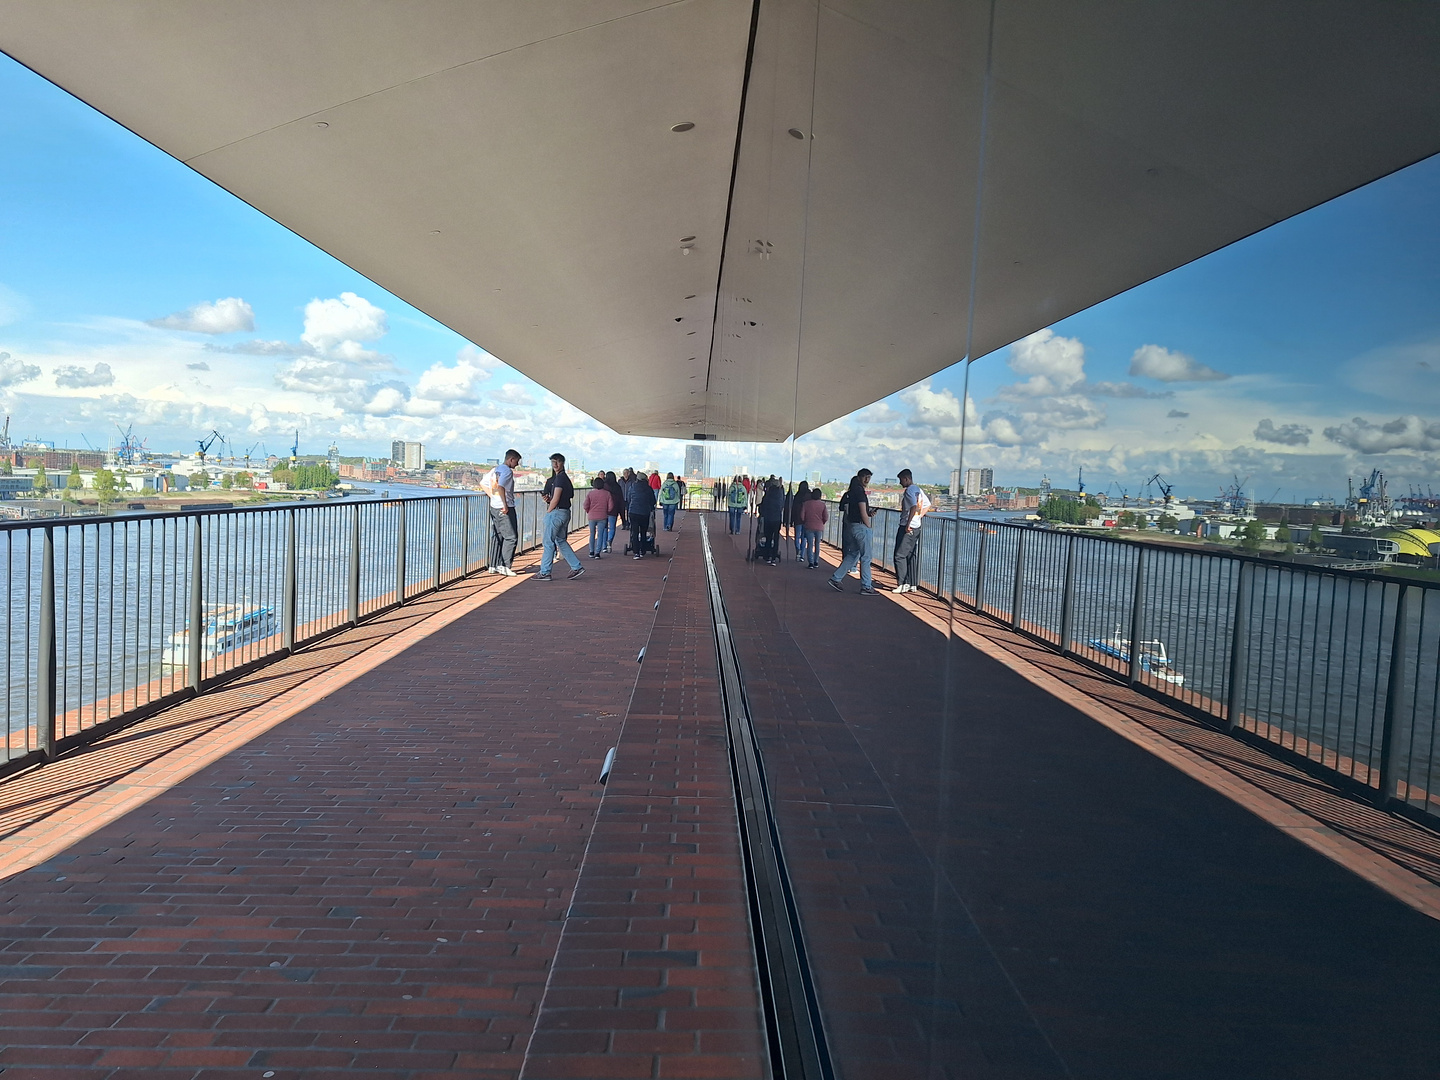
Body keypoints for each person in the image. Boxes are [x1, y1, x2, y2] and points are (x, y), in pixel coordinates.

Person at [538, 453, 584, 580]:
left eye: (557, 462)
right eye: (553, 462)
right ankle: (576, 566)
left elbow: (556, 498)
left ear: (562, 463)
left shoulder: (559, 479)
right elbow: (566, 496)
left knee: (548, 542)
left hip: (557, 513)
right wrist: (549, 500)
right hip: (565, 512)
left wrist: (549, 511)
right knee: (561, 540)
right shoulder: (566, 479)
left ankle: (545, 572)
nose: (555, 465)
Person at [829, 469, 876, 594]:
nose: (867, 480)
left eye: (869, 477)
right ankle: (866, 586)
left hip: (852, 526)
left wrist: (867, 515)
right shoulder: (860, 493)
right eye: (866, 477)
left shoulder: (851, 493)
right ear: (860, 478)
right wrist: (868, 525)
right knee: (866, 557)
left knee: (853, 554)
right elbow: (862, 511)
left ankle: (836, 578)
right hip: (861, 527)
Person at [481, 448, 521, 576]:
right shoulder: (507, 471)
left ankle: (493, 565)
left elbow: (483, 483)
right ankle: (504, 565)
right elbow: (501, 486)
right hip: (505, 507)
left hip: (494, 507)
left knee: (498, 535)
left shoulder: (495, 469)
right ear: (511, 459)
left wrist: (493, 497)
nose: (517, 464)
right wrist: (505, 504)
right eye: (516, 461)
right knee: (511, 537)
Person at [893, 468, 930, 593]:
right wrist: (918, 518)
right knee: (910, 555)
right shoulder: (918, 490)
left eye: (901, 480)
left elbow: (913, 506)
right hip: (917, 526)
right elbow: (927, 505)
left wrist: (908, 523)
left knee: (899, 555)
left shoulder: (909, 491)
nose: (900, 483)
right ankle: (912, 583)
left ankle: (902, 583)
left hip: (907, 526)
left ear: (906, 478)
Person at [627, 468, 657, 557]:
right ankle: (642, 550)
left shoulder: (632, 487)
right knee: (644, 532)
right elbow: (653, 501)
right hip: (644, 512)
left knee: (634, 531)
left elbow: (628, 499)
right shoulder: (649, 489)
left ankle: (636, 552)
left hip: (633, 512)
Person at [584, 475, 613, 559]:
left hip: (592, 516)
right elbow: (611, 506)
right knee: (600, 534)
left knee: (592, 534)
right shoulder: (607, 493)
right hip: (602, 516)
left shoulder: (590, 493)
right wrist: (606, 511)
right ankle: (597, 553)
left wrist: (588, 511)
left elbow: (585, 505)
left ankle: (591, 551)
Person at [799, 487, 827, 569]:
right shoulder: (823, 505)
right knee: (817, 544)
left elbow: (802, 516)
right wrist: (822, 522)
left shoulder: (806, 504)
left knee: (810, 544)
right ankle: (816, 561)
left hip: (809, 526)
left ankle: (810, 562)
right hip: (819, 526)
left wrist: (805, 521)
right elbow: (825, 517)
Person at [757, 478, 785, 564]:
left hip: (768, 519)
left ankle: (767, 555)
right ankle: (773, 556)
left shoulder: (768, 495)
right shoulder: (780, 495)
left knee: (768, 537)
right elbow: (781, 506)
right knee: (776, 538)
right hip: (777, 519)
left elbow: (763, 506)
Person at [604, 470, 624, 553]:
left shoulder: (604, 487)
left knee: (604, 528)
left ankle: (604, 546)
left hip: (604, 510)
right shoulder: (617, 487)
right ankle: (609, 541)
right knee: (612, 528)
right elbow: (620, 500)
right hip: (614, 510)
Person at [789, 480, 810, 560]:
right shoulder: (809, 496)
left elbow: (793, 508)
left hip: (797, 519)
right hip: (806, 519)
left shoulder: (797, 495)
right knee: (804, 537)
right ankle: (802, 555)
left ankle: (798, 551)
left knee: (797, 537)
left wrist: (791, 520)